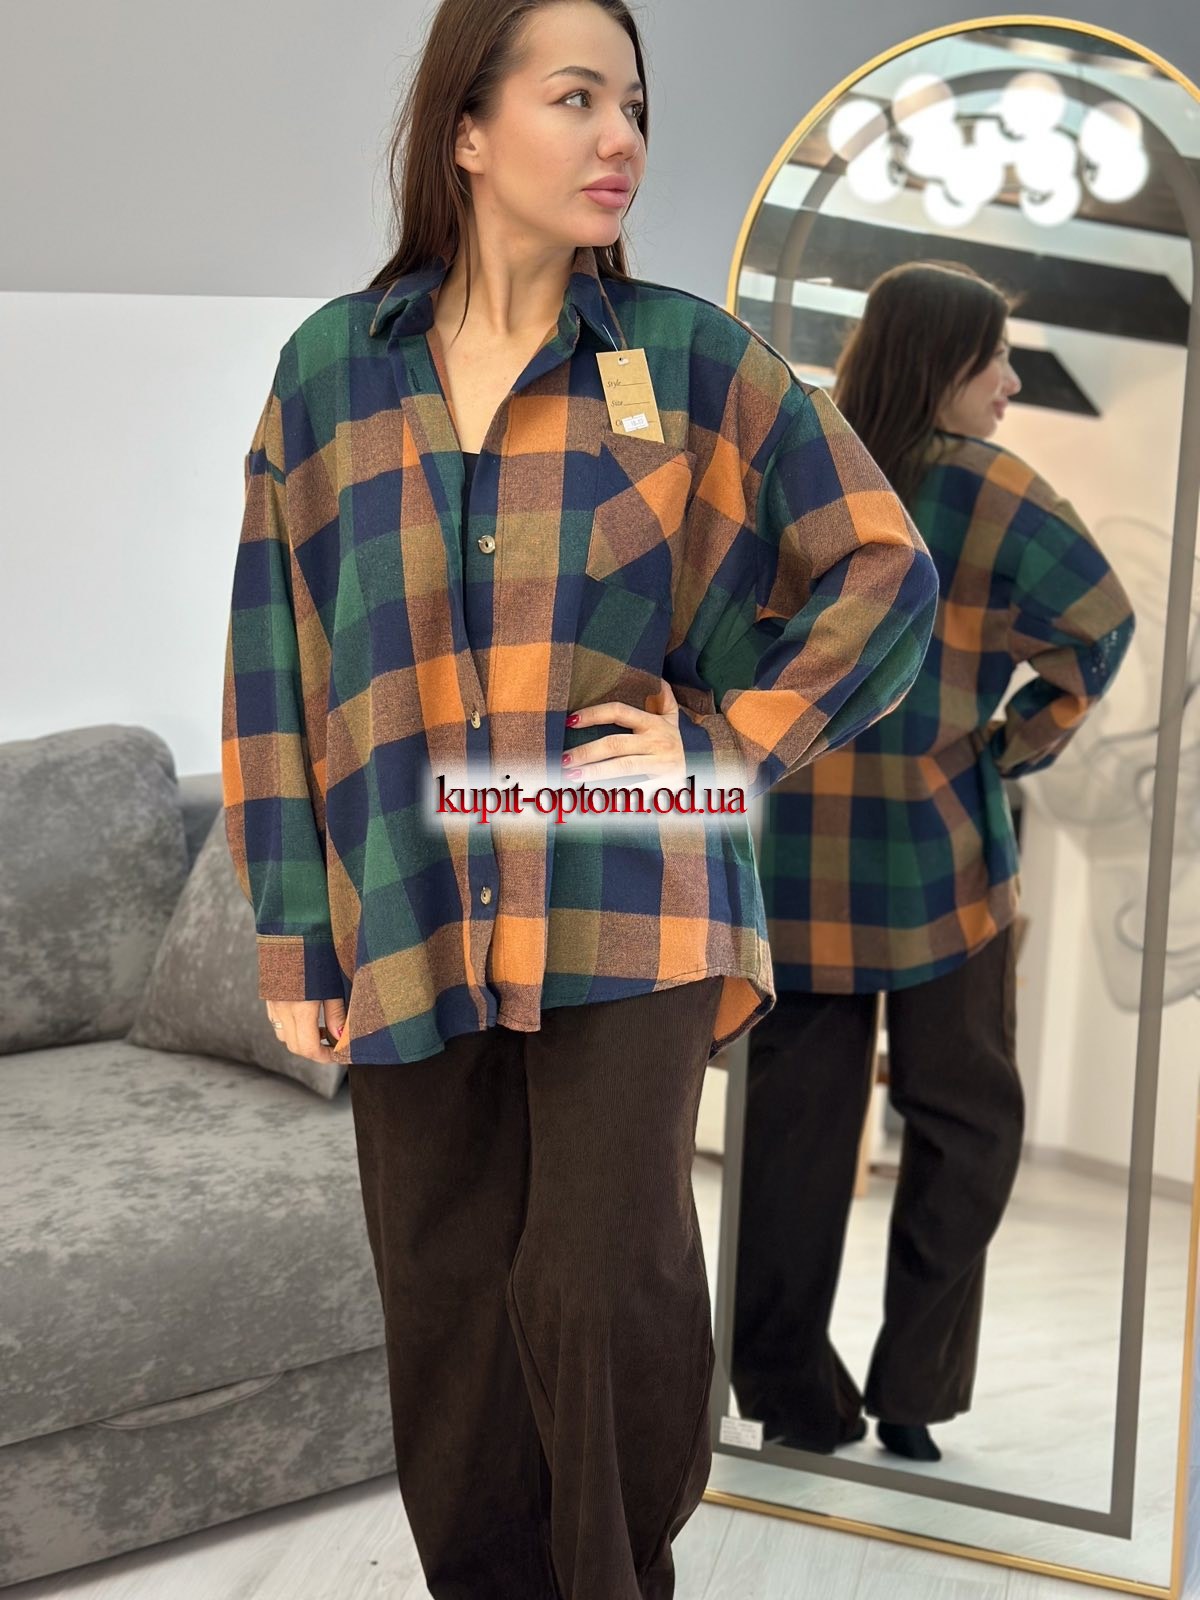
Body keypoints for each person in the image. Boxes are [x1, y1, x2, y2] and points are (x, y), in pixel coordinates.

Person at [219, 3, 938, 1594]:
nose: (623, 138)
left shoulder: (688, 362)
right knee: (447, 1294)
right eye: (579, 99)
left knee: (601, 1282)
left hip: (632, 886)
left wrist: (731, 741)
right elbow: (279, 664)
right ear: (469, 130)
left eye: (637, 107)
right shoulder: (332, 375)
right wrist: (292, 935)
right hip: (411, 895)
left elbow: (886, 567)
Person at [731, 261, 1135, 1465]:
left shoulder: (793, 471)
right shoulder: (996, 490)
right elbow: (1100, 628)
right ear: (941, 360)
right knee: (969, 1122)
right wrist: (1012, 744)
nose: (1010, 382)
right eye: (995, 357)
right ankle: (913, 1387)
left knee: (789, 1142)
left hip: (791, 865)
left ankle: (792, 1395)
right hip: (944, 866)